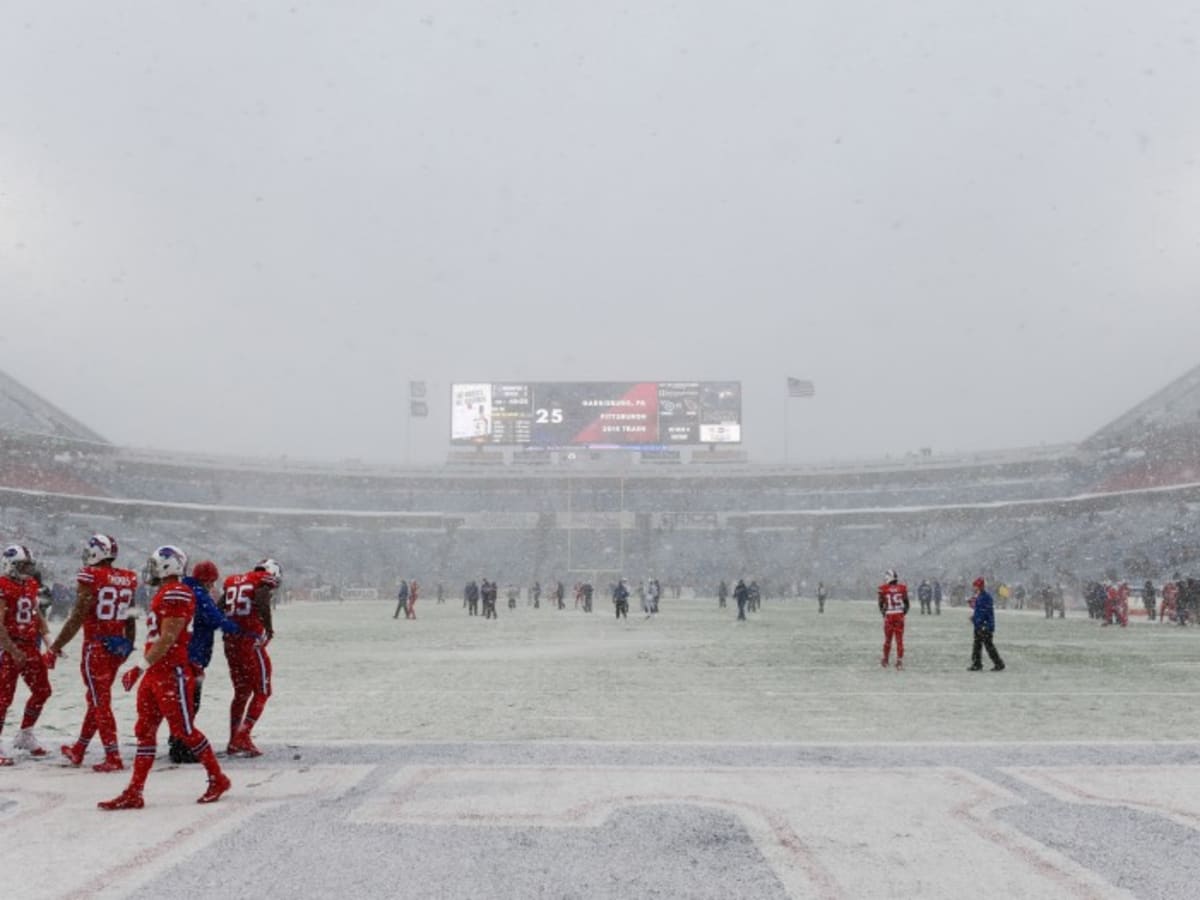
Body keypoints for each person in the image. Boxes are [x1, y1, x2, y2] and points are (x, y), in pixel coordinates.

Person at [98, 546, 230, 810]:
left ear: (168, 565)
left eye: (156, 564)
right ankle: (134, 791)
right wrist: (144, 667)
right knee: (145, 731)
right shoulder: (167, 592)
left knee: (184, 730)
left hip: (172, 672)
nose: (152, 568)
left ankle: (218, 778)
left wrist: (139, 667)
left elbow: (168, 637)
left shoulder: (178, 592)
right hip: (157, 671)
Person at [48, 533, 138, 772]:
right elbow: (130, 616)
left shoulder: (91, 576)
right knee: (97, 700)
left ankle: (113, 755)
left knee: (100, 702)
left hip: (97, 646)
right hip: (117, 645)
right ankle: (79, 748)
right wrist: (129, 644)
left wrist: (56, 646)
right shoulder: (127, 577)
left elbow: (78, 616)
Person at [168, 560, 240, 764]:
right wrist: (240, 629)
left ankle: (176, 738)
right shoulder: (199, 594)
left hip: (179, 652)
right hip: (193, 655)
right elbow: (216, 619)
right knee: (191, 703)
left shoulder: (184, 589)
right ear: (208, 580)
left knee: (181, 702)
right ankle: (181, 746)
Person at [222, 558, 280, 757]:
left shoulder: (233, 581)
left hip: (230, 642)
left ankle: (233, 741)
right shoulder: (262, 580)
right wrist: (268, 628)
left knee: (241, 692)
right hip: (250, 641)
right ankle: (242, 735)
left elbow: (221, 606)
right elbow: (262, 599)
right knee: (263, 690)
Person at [0, 545, 53, 763]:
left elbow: (36, 612)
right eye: (22, 565)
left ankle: (25, 734)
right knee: (3, 698)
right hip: (8, 646)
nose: (27, 570)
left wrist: (49, 640)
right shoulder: (3, 585)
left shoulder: (30, 584)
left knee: (42, 690)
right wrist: (12, 649)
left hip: (29, 645)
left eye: (28, 565)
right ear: (10, 565)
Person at [968, 577, 1005, 671]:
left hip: (984, 626)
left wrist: (978, 621)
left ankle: (998, 663)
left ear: (979, 587)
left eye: (975, 586)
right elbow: (979, 610)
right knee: (978, 646)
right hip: (980, 625)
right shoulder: (980, 596)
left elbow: (984, 612)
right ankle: (977, 663)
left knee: (988, 646)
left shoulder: (985, 597)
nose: (974, 588)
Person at [878, 569, 909, 669]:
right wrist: (902, 613)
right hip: (899, 615)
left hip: (890, 615)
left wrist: (884, 613)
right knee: (899, 640)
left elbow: (880, 604)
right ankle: (899, 661)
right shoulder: (902, 588)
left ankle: (886, 659)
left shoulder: (883, 588)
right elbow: (907, 604)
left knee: (888, 640)